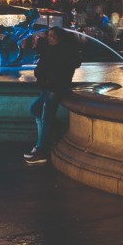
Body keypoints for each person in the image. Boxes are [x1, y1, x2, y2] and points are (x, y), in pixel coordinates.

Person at [24, 26, 81, 164]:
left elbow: (42, 68)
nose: (48, 38)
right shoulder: (56, 49)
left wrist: (42, 74)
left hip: (53, 88)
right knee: (36, 110)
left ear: (59, 38)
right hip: (50, 87)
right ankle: (58, 128)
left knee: (46, 118)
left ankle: (41, 150)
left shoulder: (59, 52)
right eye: (48, 35)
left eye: (51, 36)